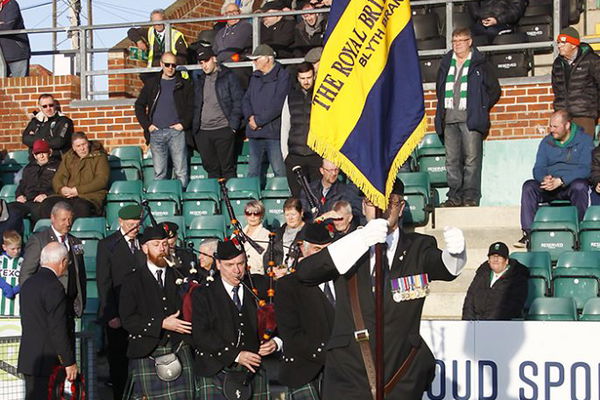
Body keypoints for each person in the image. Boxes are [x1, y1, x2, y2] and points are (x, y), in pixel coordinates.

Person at [296, 180, 466, 399]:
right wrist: (361, 240)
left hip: (401, 376)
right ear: (364, 207)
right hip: (349, 376)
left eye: (390, 202)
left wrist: (457, 254)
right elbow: (306, 273)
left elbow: (445, 268)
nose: (381, 208)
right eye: (372, 201)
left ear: (401, 207)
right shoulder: (348, 246)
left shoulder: (418, 247)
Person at [192, 239, 281, 398]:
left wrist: (277, 342)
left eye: (240, 264)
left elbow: (283, 316)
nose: (237, 270)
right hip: (216, 369)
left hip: (254, 371)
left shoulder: (260, 286)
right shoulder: (203, 294)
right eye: (229, 265)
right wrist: (236, 355)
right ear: (218, 264)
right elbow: (201, 334)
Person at [119, 225, 195, 400]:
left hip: (179, 348)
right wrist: (161, 323)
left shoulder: (181, 276)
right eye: (156, 245)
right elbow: (128, 320)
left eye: (164, 244)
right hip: (147, 350)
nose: (162, 249)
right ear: (144, 248)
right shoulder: (132, 280)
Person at [434, 27, 501, 207]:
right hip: (449, 118)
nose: (457, 45)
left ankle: (470, 197)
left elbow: (494, 89)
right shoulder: (446, 63)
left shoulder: (480, 63)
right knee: (452, 160)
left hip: (471, 118)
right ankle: (454, 196)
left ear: (469, 42)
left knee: (471, 160)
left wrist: (481, 106)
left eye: (461, 41)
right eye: (454, 41)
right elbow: (439, 89)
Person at [275, 222, 336, 399]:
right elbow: (291, 335)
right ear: (302, 248)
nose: (324, 255)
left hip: (343, 371)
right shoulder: (288, 286)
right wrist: (331, 356)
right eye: (318, 249)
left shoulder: (345, 281)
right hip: (304, 370)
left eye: (328, 249)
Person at [516, 110, 594, 247]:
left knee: (580, 186)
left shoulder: (584, 140)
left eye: (555, 126)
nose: (551, 130)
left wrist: (562, 180)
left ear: (567, 125)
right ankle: (528, 234)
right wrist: (544, 179)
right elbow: (538, 167)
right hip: (550, 185)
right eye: (550, 126)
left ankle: (580, 231)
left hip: (569, 185)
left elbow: (585, 169)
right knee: (528, 186)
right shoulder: (546, 142)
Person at [96, 204, 144, 400]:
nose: (134, 229)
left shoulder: (144, 242)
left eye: (137, 224)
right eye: (131, 224)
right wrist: (111, 314)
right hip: (119, 313)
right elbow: (104, 282)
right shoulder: (108, 245)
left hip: (142, 312)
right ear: (121, 222)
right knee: (118, 360)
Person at [18, 242, 77, 400]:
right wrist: (68, 361)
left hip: (29, 358)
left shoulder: (28, 284)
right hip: (48, 362)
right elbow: (57, 328)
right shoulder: (54, 287)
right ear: (63, 261)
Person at [20, 201, 87, 327]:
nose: (68, 223)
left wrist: (80, 302)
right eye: (63, 219)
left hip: (70, 308)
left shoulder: (75, 242)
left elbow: (80, 274)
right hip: (46, 308)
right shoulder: (38, 240)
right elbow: (26, 274)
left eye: (70, 219)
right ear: (53, 218)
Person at [135, 52, 193, 188]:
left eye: (173, 65)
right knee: (159, 173)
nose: (170, 68)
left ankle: (181, 203)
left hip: (176, 133)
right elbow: (139, 105)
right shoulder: (152, 84)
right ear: (161, 64)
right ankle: (162, 203)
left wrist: (183, 124)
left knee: (181, 172)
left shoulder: (184, 84)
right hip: (156, 132)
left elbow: (192, 107)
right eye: (167, 65)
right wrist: (147, 125)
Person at [191, 46, 244, 179]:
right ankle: (215, 199)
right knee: (211, 170)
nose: (204, 65)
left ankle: (229, 199)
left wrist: (232, 126)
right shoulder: (199, 79)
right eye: (201, 63)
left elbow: (238, 101)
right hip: (203, 132)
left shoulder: (229, 76)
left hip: (223, 129)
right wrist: (196, 130)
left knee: (227, 169)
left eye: (206, 61)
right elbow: (195, 105)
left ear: (214, 59)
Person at [243, 44, 290, 178]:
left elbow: (278, 104)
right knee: (252, 172)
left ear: (268, 59)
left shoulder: (283, 76)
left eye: (257, 59)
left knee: (279, 170)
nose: (254, 62)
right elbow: (246, 100)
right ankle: (252, 198)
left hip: (273, 132)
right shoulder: (254, 77)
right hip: (254, 132)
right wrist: (250, 117)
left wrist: (258, 120)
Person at [40, 132, 109, 219]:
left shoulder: (100, 156)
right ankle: (51, 232)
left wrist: (77, 190)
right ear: (73, 147)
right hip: (67, 196)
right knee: (47, 204)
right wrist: (61, 189)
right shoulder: (68, 157)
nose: (82, 148)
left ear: (87, 143)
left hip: (90, 197)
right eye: (78, 146)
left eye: (84, 144)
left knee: (81, 207)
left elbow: (101, 180)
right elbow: (58, 178)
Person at [281, 62, 322, 198]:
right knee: (297, 197)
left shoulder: (323, 96)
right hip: (295, 156)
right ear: (298, 78)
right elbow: (285, 126)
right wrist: (285, 154)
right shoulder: (290, 97)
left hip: (316, 156)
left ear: (314, 75)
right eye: (302, 78)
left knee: (317, 196)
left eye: (309, 77)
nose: (306, 81)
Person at [551, 27, 600, 138]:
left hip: (584, 115)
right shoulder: (558, 63)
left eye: (563, 43)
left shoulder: (592, 60)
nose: (559, 46)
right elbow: (556, 89)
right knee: (563, 153)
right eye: (558, 42)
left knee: (583, 151)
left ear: (573, 45)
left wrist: (595, 111)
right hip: (563, 117)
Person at [1, 139, 58, 233]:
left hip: (45, 202)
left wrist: (47, 195)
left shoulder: (57, 167)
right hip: (28, 201)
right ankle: (10, 240)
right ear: (34, 155)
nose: (42, 156)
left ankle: (37, 237)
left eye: (44, 152)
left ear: (50, 152)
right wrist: (19, 195)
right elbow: (21, 185)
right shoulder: (29, 168)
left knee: (40, 210)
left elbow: (60, 187)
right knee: (9, 208)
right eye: (38, 153)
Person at [462, 242, 529, 320]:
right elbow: (470, 298)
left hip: (501, 325)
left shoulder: (517, 278)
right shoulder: (482, 274)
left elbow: (513, 307)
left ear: (506, 260)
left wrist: (489, 322)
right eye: (492, 256)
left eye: (499, 257)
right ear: (488, 260)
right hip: (476, 323)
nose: (495, 259)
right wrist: (469, 321)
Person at [22, 94, 74, 160]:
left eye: (51, 105)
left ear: (54, 105)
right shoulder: (36, 121)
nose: (48, 108)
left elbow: (59, 142)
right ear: (40, 107)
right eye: (44, 106)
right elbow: (25, 139)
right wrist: (49, 139)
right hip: (34, 161)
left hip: (56, 160)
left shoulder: (64, 121)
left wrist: (36, 139)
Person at [264, 197, 305, 268]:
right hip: (276, 274)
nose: (290, 218)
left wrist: (287, 271)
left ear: (301, 213)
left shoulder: (308, 232)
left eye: (293, 214)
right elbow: (268, 255)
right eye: (287, 215)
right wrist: (271, 269)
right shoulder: (278, 233)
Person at [0, 0, 30, 77]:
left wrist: (3, 24)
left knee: (20, 84)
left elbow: (8, 25)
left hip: (16, 54)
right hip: (2, 56)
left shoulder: (11, 4)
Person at [241, 200, 271, 274]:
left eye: (256, 213)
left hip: (256, 273)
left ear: (261, 215)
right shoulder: (238, 234)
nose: (252, 216)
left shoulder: (267, 235)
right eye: (249, 213)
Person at [0, 230, 22, 316]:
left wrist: (16, 289)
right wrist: (4, 286)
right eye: (12, 249)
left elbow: (27, 278)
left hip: (17, 308)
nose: (16, 251)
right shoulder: (1, 260)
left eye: (18, 248)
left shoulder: (23, 262)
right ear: (4, 247)